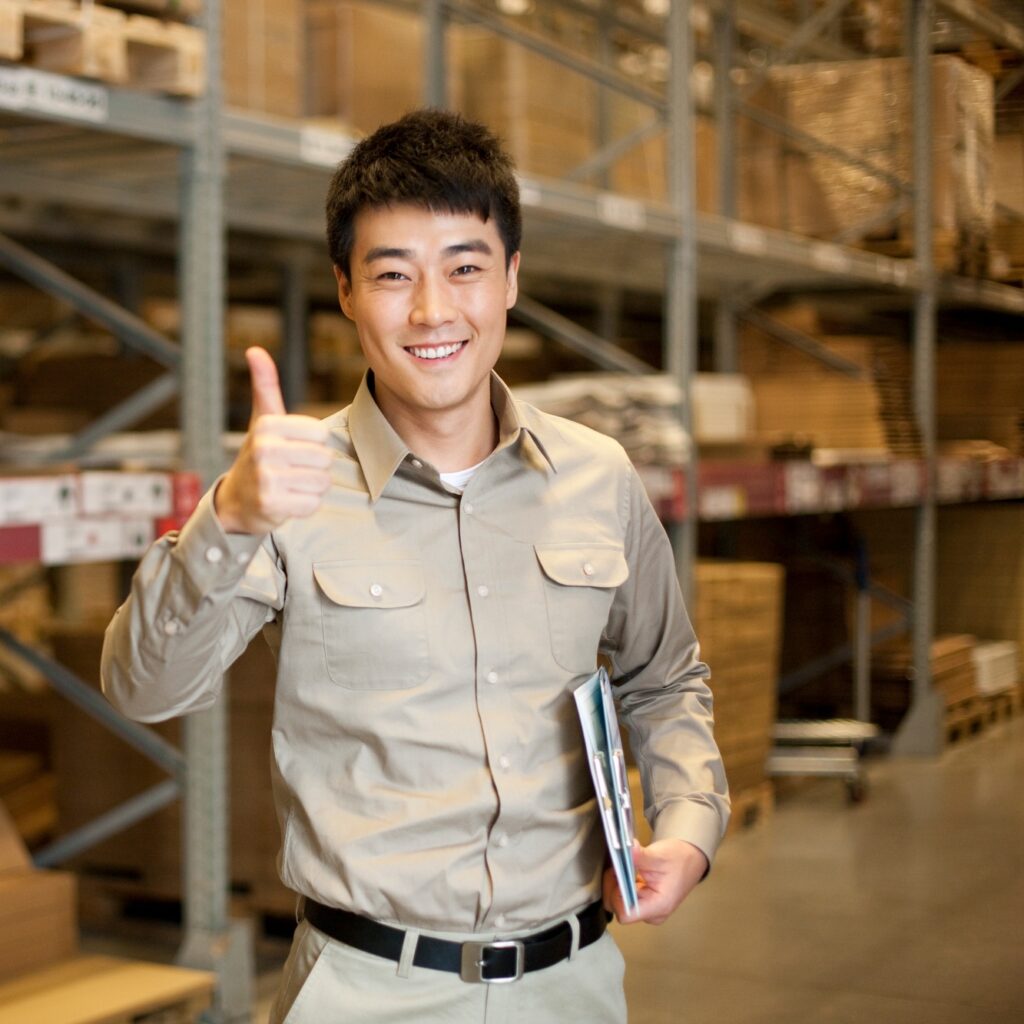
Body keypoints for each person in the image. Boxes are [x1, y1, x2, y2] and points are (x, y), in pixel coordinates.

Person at [102, 109, 729, 1023]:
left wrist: (689, 828)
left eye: (465, 268)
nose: (433, 311)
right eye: (393, 275)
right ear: (348, 292)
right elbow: (142, 688)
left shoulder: (600, 475)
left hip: (573, 985)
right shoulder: (286, 485)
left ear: (512, 278)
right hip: (363, 989)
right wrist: (228, 519)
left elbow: (663, 679)